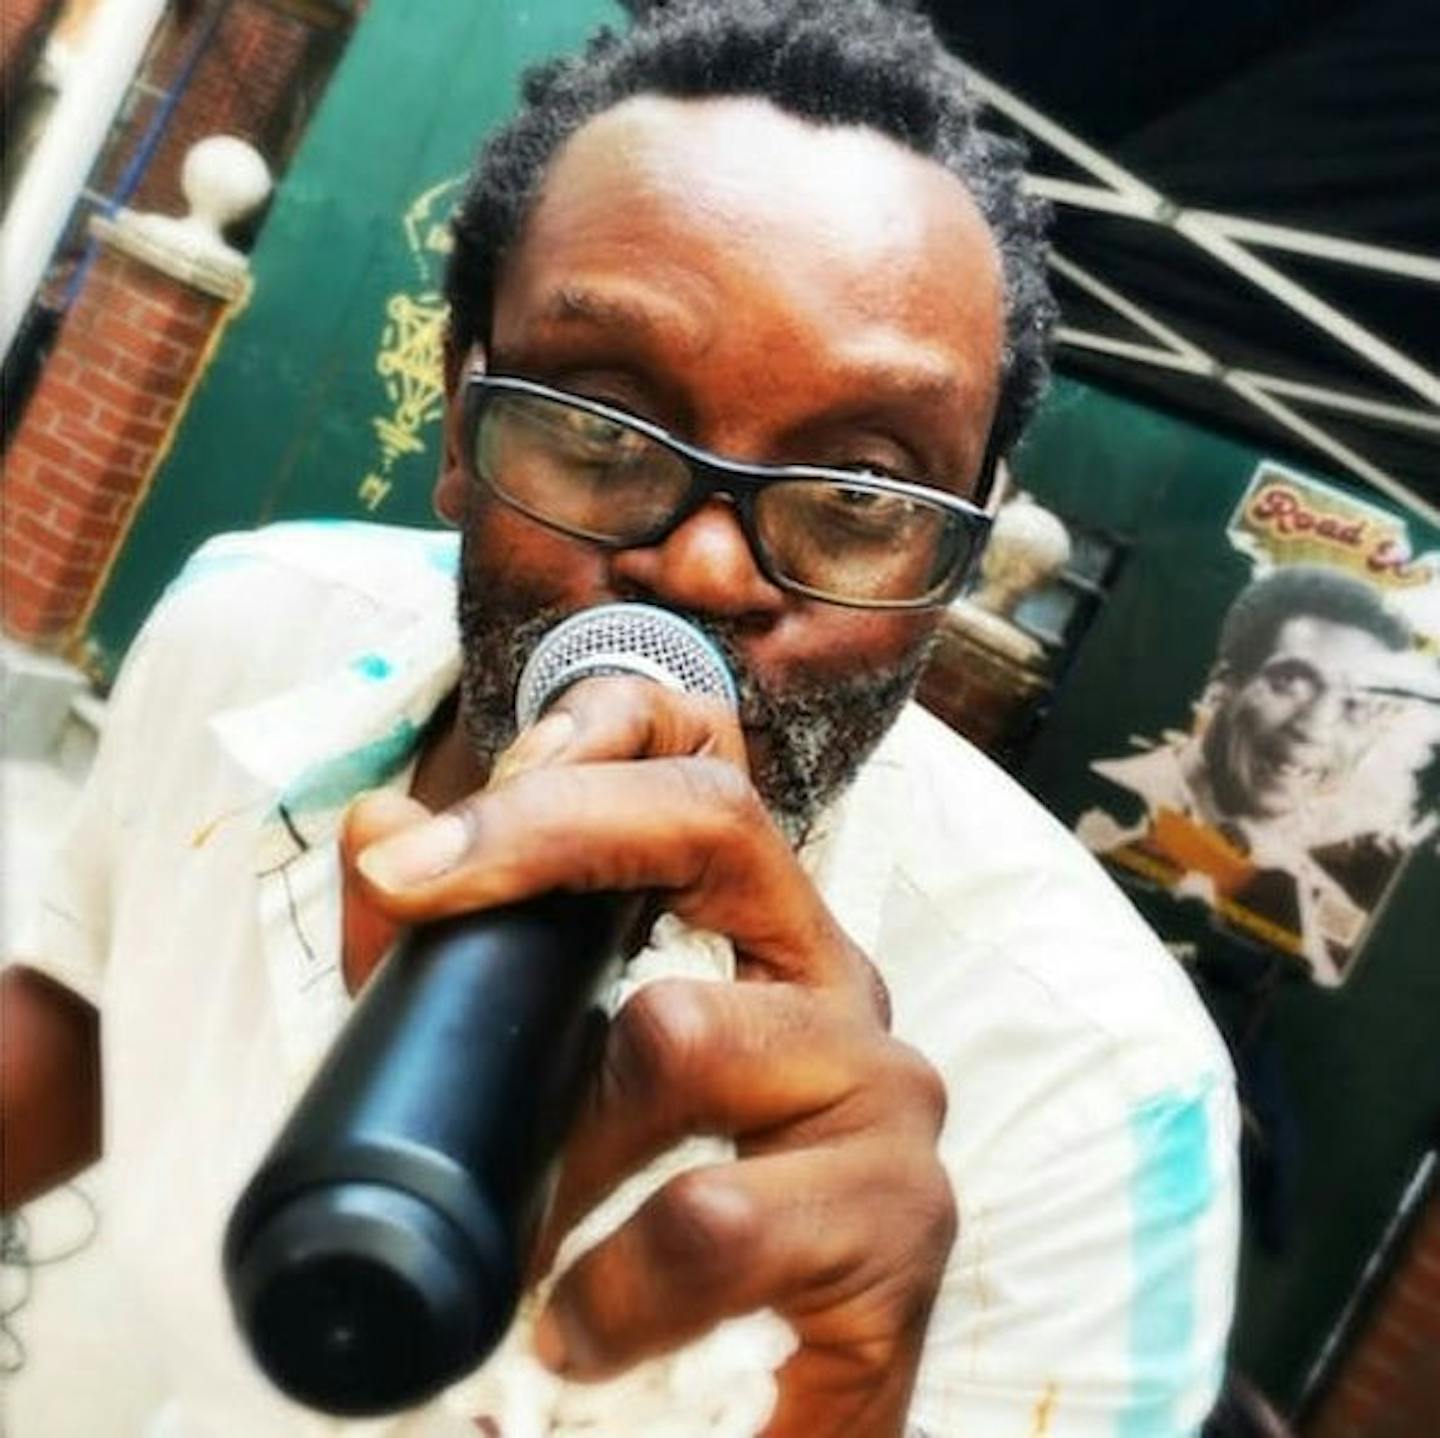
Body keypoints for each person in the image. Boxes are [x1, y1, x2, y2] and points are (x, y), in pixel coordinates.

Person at [1, 3, 1239, 1434]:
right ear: (461, 417)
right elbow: (94, 995)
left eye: (857, 495)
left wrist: (850, 1391)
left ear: (954, 558)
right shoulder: (248, 632)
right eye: (599, 426)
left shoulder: (1102, 1091)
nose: (705, 568)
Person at [1080, 564, 1426, 982]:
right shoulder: (1094, 796)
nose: (1315, 729)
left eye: (1356, 706)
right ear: (1223, 684)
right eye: (1290, 683)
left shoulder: (1321, 912)